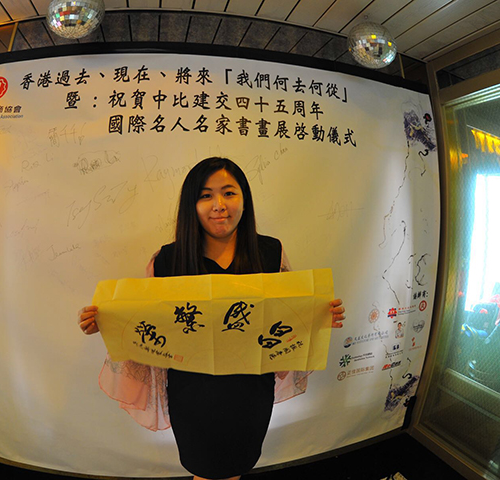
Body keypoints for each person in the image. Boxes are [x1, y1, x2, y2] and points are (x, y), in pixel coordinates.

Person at [78, 157, 345, 480]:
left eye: (229, 193)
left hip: (250, 392)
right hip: (193, 395)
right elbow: (144, 320)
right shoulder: (168, 260)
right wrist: (105, 321)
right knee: (203, 469)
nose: (219, 205)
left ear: (244, 200)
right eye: (206, 195)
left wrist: (319, 317)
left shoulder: (270, 252)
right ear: (191, 205)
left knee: (237, 466)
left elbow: (289, 313)